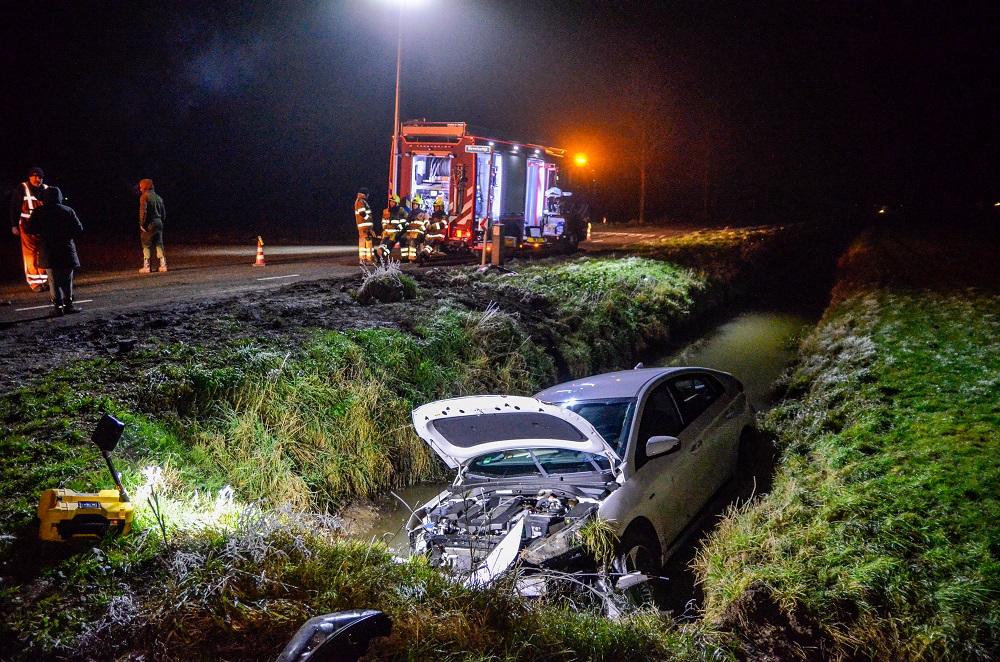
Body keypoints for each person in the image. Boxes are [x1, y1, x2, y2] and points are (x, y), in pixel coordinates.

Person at [23, 187, 83, 316]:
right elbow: (78, 228)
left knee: (54, 281)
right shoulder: (68, 210)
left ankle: (58, 308)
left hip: (49, 249)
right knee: (67, 279)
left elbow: (30, 229)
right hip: (66, 248)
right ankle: (69, 306)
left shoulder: (40, 211)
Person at [9, 166, 49, 291]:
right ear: (30, 177)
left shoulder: (46, 189)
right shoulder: (22, 188)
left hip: (43, 226)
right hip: (27, 225)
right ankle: (35, 283)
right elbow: (14, 207)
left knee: (43, 253)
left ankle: (45, 280)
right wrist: (14, 224)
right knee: (30, 255)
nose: (38, 179)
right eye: (35, 176)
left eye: (40, 177)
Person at [137, 179, 167, 273]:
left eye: (141, 187)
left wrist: (142, 223)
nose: (140, 189)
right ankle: (163, 265)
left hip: (150, 223)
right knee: (159, 243)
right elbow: (163, 213)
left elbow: (143, 211)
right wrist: (161, 222)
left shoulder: (144, 197)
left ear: (145, 187)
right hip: (159, 223)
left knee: (146, 244)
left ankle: (147, 266)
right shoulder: (159, 198)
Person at [376, 194, 406, 261]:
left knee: (389, 244)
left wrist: (399, 228)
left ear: (396, 203)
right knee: (382, 243)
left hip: (395, 233)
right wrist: (384, 226)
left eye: (393, 202)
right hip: (387, 232)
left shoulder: (401, 211)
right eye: (390, 202)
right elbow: (383, 221)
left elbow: (404, 220)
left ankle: (382, 255)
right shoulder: (386, 211)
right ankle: (380, 254)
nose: (391, 203)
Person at [403, 195, 427, 262]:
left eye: (416, 204)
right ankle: (404, 258)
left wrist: (420, 228)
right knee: (402, 239)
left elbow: (425, 225)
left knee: (412, 241)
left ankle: (412, 258)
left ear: (419, 205)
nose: (414, 205)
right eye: (413, 204)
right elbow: (407, 223)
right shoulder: (410, 214)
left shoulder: (423, 214)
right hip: (410, 232)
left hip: (419, 233)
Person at [354, 187, 374, 264]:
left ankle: (363, 259)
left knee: (363, 242)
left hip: (363, 226)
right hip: (365, 226)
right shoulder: (361, 201)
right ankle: (368, 259)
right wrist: (368, 218)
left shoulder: (359, 200)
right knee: (368, 243)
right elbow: (362, 212)